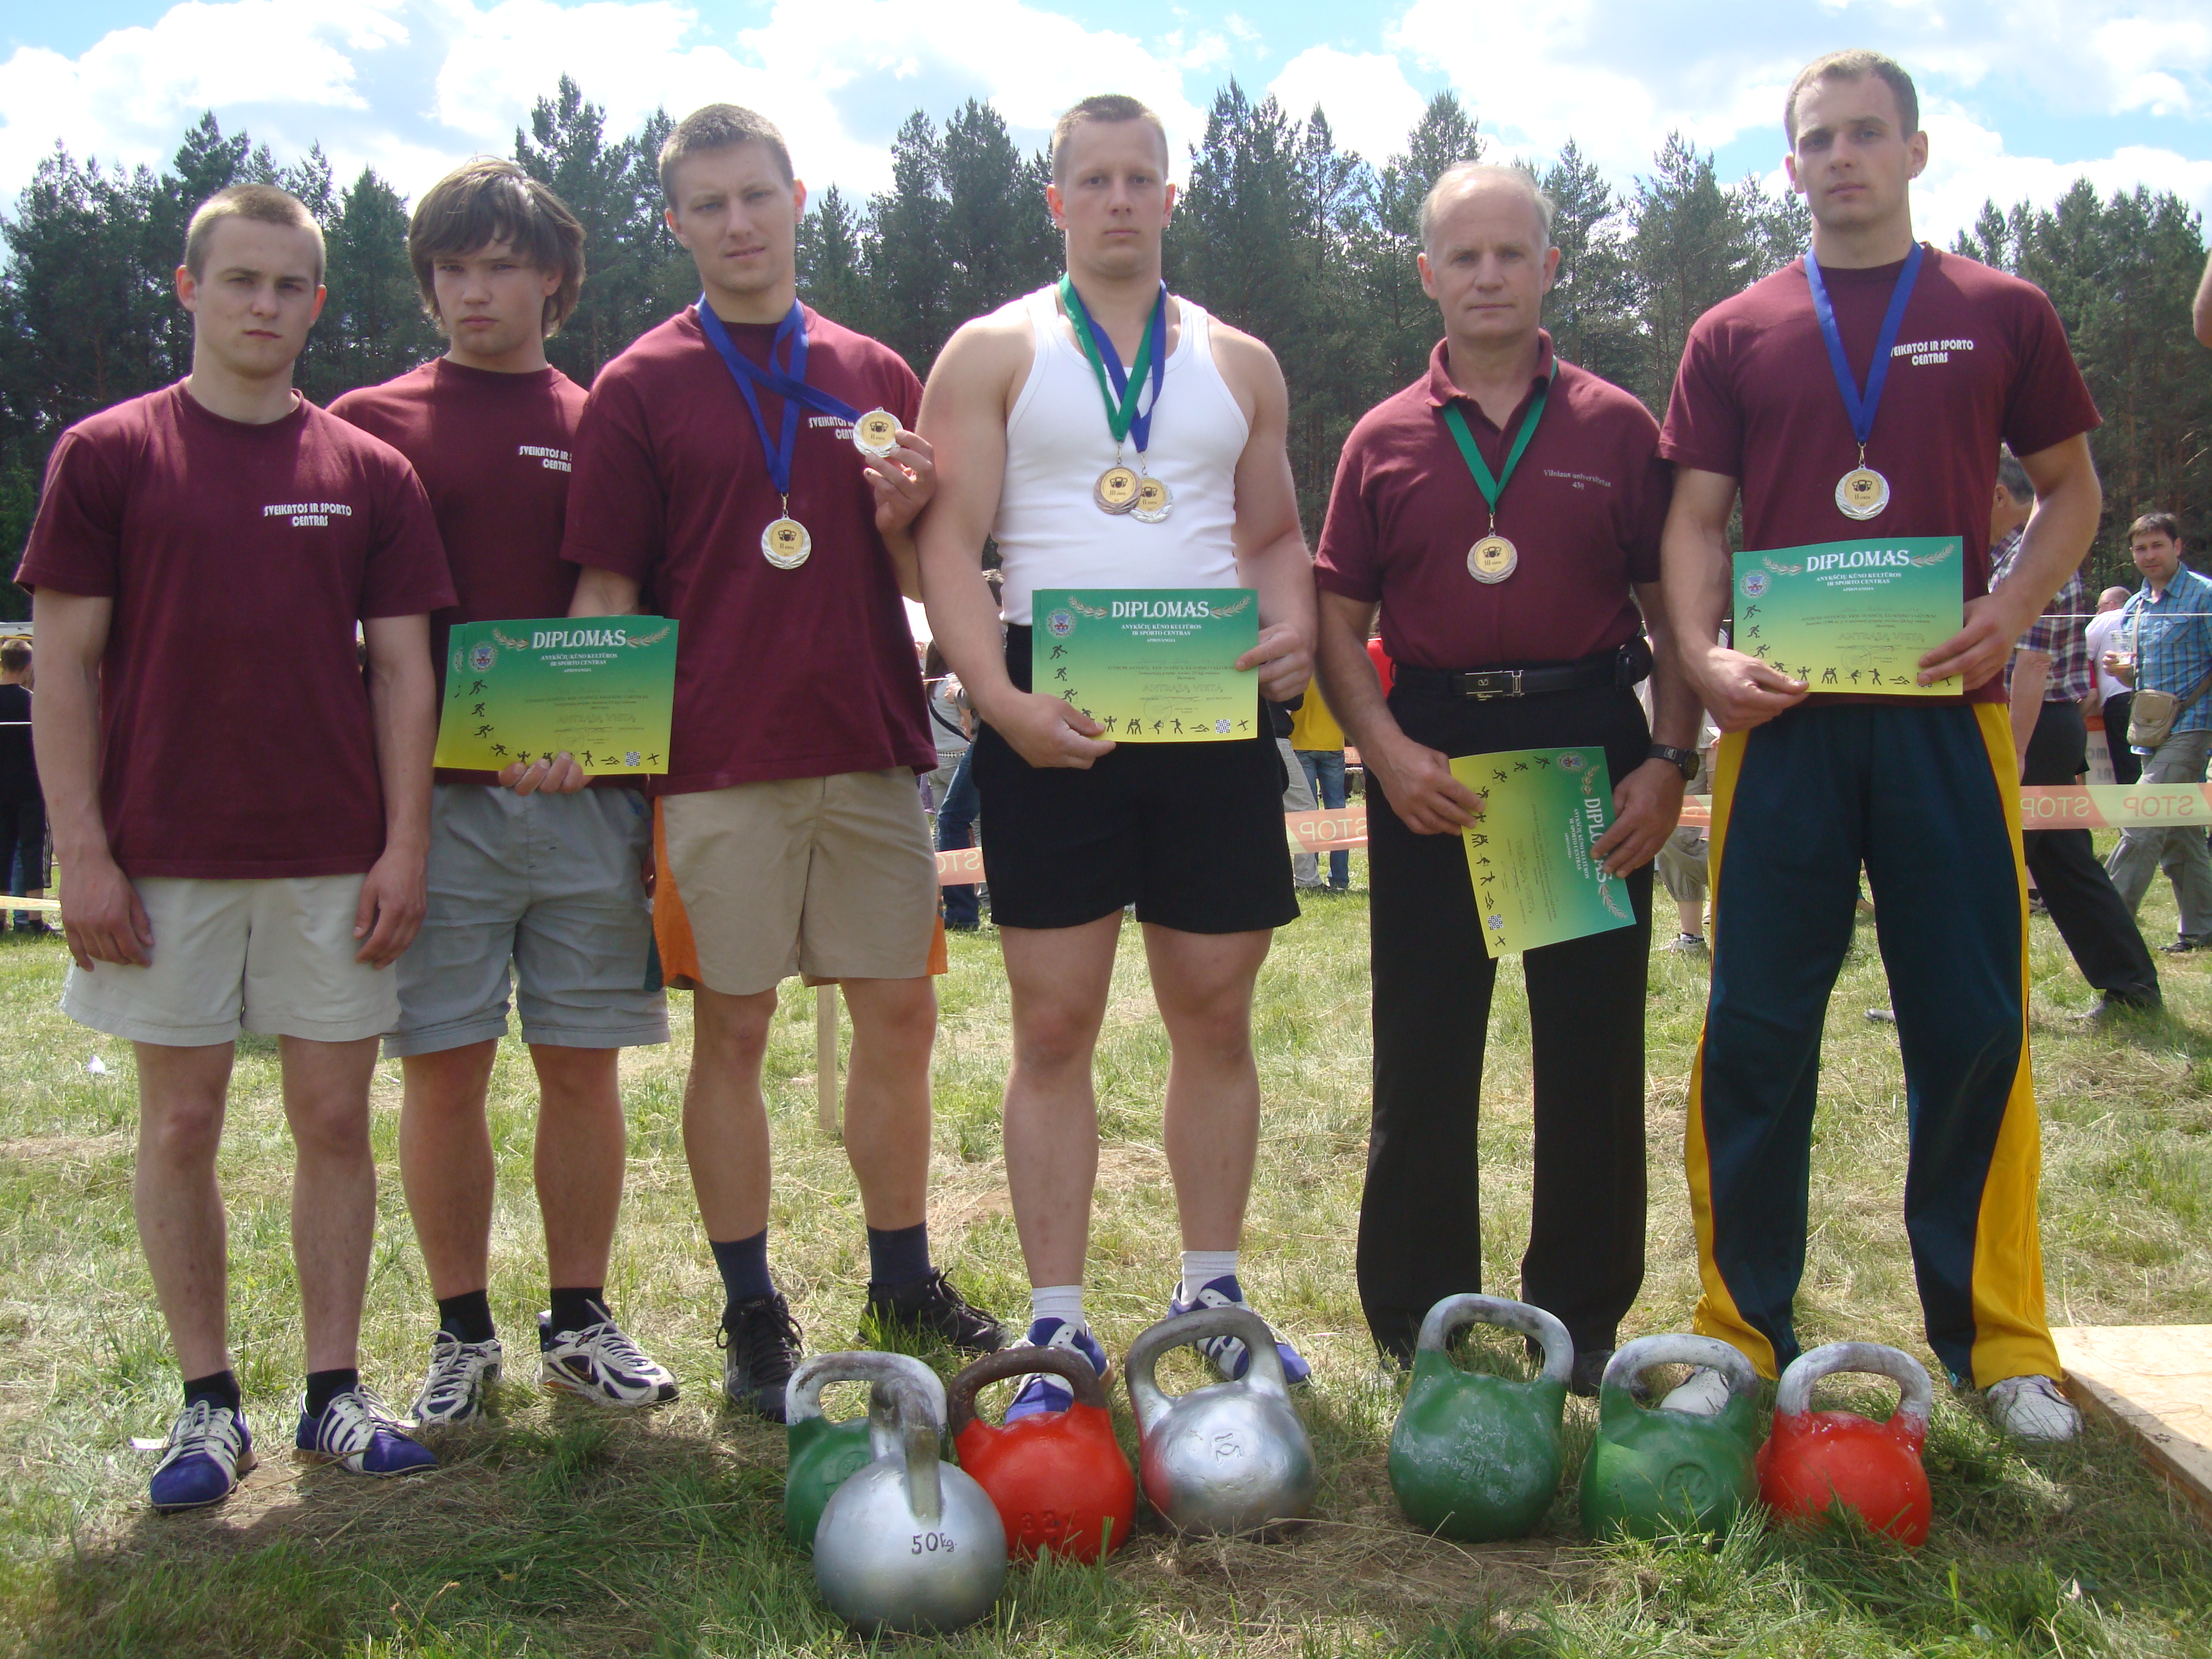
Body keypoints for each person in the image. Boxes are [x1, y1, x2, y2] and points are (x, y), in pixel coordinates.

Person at [1657, 50, 2103, 1442]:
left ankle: (1998, 1341)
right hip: (1781, 725)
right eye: (1814, 140)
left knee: (1972, 1019)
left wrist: (2011, 606)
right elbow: (1691, 520)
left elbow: (2070, 490)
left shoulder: (1999, 309)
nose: (1839, 157)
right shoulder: (1736, 328)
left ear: (1914, 150)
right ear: (1785, 168)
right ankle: (1738, 1329)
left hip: (1940, 717)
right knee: (1754, 1026)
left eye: (1865, 135)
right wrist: (1703, 652)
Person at [533, 104, 1000, 1420]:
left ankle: (900, 1276)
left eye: (757, 196)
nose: (737, 223)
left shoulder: (871, 365)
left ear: (798, 198)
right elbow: (610, 580)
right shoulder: (639, 383)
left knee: (897, 1019)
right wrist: (571, 721)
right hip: (715, 759)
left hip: (865, 744)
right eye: (708, 204)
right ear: (675, 222)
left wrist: (910, 519)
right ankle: (752, 1306)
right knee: (731, 1028)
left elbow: (925, 574)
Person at [20, 184, 455, 1507]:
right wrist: (81, 849)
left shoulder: (368, 471)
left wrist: (405, 844)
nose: (264, 305)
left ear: (318, 301)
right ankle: (210, 1406)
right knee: (184, 1120)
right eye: (241, 281)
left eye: (289, 285)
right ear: (189, 287)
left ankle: (334, 1393)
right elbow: (63, 664)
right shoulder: (106, 453)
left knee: (334, 1117)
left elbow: (403, 675)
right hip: (160, 860)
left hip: (333, 854)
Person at [917, 93, 1317, 1415]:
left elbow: (1269, 534)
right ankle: (1056, 1324)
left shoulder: (1243, 360)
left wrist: (1294, 624)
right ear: (1056, 201)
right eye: (1092, 178)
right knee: (1054, 1021)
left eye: (1140, 177)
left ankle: (1212, 1290)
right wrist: (996, 702)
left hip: (1208, 711)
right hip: (1055, 709)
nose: (1118, 199)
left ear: (1170, 194)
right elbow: (950, 541)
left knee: (1214, 1009)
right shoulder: (992, 350)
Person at [1313, 162, 1694, 1389]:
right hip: (1429, 750)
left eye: (1509, 254)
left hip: (1586, 743)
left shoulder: (1618, 428)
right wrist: (1379, 747)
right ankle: (1419, 1318)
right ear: (1425, 274)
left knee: (1588, 1048)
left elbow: (1674, 608)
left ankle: (1577, 1317)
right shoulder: (1381, 439)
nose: (1486, 276)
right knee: (1422, 1047)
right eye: (1461, 257)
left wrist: (1669, 759)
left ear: (1548, 267)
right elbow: (1333, 616)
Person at [328, 158, 677, 1427]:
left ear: (553, 279)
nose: (473, 290)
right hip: (431, 810)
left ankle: (579, 1317)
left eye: (499, 265)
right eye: (451, 267)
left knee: (584, 1069)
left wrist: (594, 740)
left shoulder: (609, 418)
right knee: (443, 1071)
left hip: (590, 798)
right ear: (427, 281)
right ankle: (461, 1331)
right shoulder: (366, 418)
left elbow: (633, 598)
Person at [1990, 455, 2160, 1015]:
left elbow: (2031, 666)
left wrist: (2011, 752)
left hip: (2032, 724)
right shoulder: (2012, 554)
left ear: (1995, 495)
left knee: (1988, 860)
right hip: (2042, 725)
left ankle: (1957, 996)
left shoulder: (2034, 558)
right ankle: (2131, 985)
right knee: (2065, 863)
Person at [2100, 512, 2212, 950]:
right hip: (2149, 729)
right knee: (2181, 835)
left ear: (2177, 547)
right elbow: (2136, 674)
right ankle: (2202, 930)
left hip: (2194, 725)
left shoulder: (2203, 596)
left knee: (2142, 820)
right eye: (2141, 548)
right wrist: (2124, 671)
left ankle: (2107, 927)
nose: (2149, 555)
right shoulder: (2135, 606)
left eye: (2157, 546)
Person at [0, 639, 53, 933]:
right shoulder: (33, 703)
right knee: (31, 851)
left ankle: (2, 918)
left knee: (2, 851)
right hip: (30, 789)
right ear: (28, 666)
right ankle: (33, 921)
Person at [1288, 679, 1351, 891]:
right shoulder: (1335, 667)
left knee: (1307, 814)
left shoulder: (1299, 666)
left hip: (1300, 742)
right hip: (1333, 742)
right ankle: (1340, 879)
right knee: (1338, 812)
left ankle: (1310, 877)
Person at [2081, 585, 2140, 785]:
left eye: (2099, 607)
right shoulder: (2144, 615)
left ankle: (2133, 809)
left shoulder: (2104, 619)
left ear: (2111, 605)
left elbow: (2082, 652)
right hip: (2151, 696)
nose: (2097, 612)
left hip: (2118, 699)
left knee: (2126, 764)